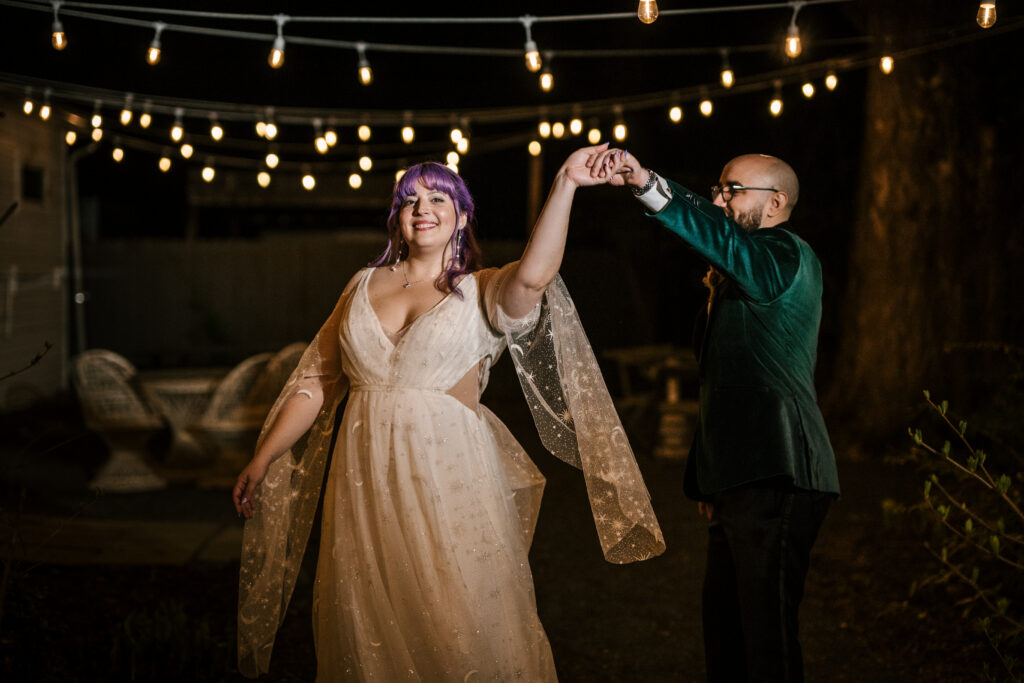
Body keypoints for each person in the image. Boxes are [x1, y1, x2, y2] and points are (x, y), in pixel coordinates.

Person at [232, 145, 665, 681]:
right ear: (397, 218)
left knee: (458, 616)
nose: (422, 208)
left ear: (461, 216)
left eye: (438, 197)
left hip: (450, 478)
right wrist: (264, 457)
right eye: (409, 200)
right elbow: (315, 382)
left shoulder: (484, 290)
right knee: (369, 614)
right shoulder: (360, 285)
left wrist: (565, 184)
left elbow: (534, 278)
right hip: (365, 483)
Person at [590, 148, 840, 682]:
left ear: (776, 202)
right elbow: (724, 382)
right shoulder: (745, 265)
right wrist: (711, 480)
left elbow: (722, 240)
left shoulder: (783, 253)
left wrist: (646, 183)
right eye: (718, 189)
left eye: (733, 191)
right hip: (742, 477)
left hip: (781, 470)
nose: (720, 199)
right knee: (725, 635)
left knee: (765, 643)